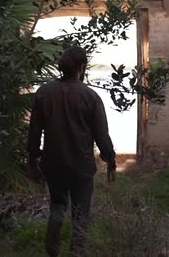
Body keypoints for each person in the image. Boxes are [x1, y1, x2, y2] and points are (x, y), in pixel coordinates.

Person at [26, 46, 117, 257]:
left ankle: (51, 251)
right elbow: (101, 135)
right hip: (81, 166)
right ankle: (77, 253)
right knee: (80, 214)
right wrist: (110, 160)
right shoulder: (90, 97)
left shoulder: (44, 93)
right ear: (81, 67)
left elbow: (34, 132)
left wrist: (32, 160)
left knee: (57, 206)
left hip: (53, 164)